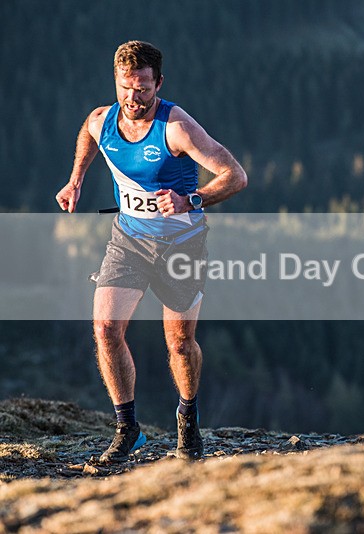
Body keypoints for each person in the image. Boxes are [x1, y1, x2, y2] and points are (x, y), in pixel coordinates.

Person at [55, 41, 247, 462]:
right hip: (129, 241)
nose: (133, 98)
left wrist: (190, 199)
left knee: (179, 343)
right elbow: (88, 136)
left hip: (182, 244)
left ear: (159, 83)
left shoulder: (176, 127)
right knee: (106, 329)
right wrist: (76, 181)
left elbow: (235, 175)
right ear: (116, 83)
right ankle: (128, 429)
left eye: (143, 88)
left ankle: (188, 419)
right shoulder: (102, 119)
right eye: (126, 88)